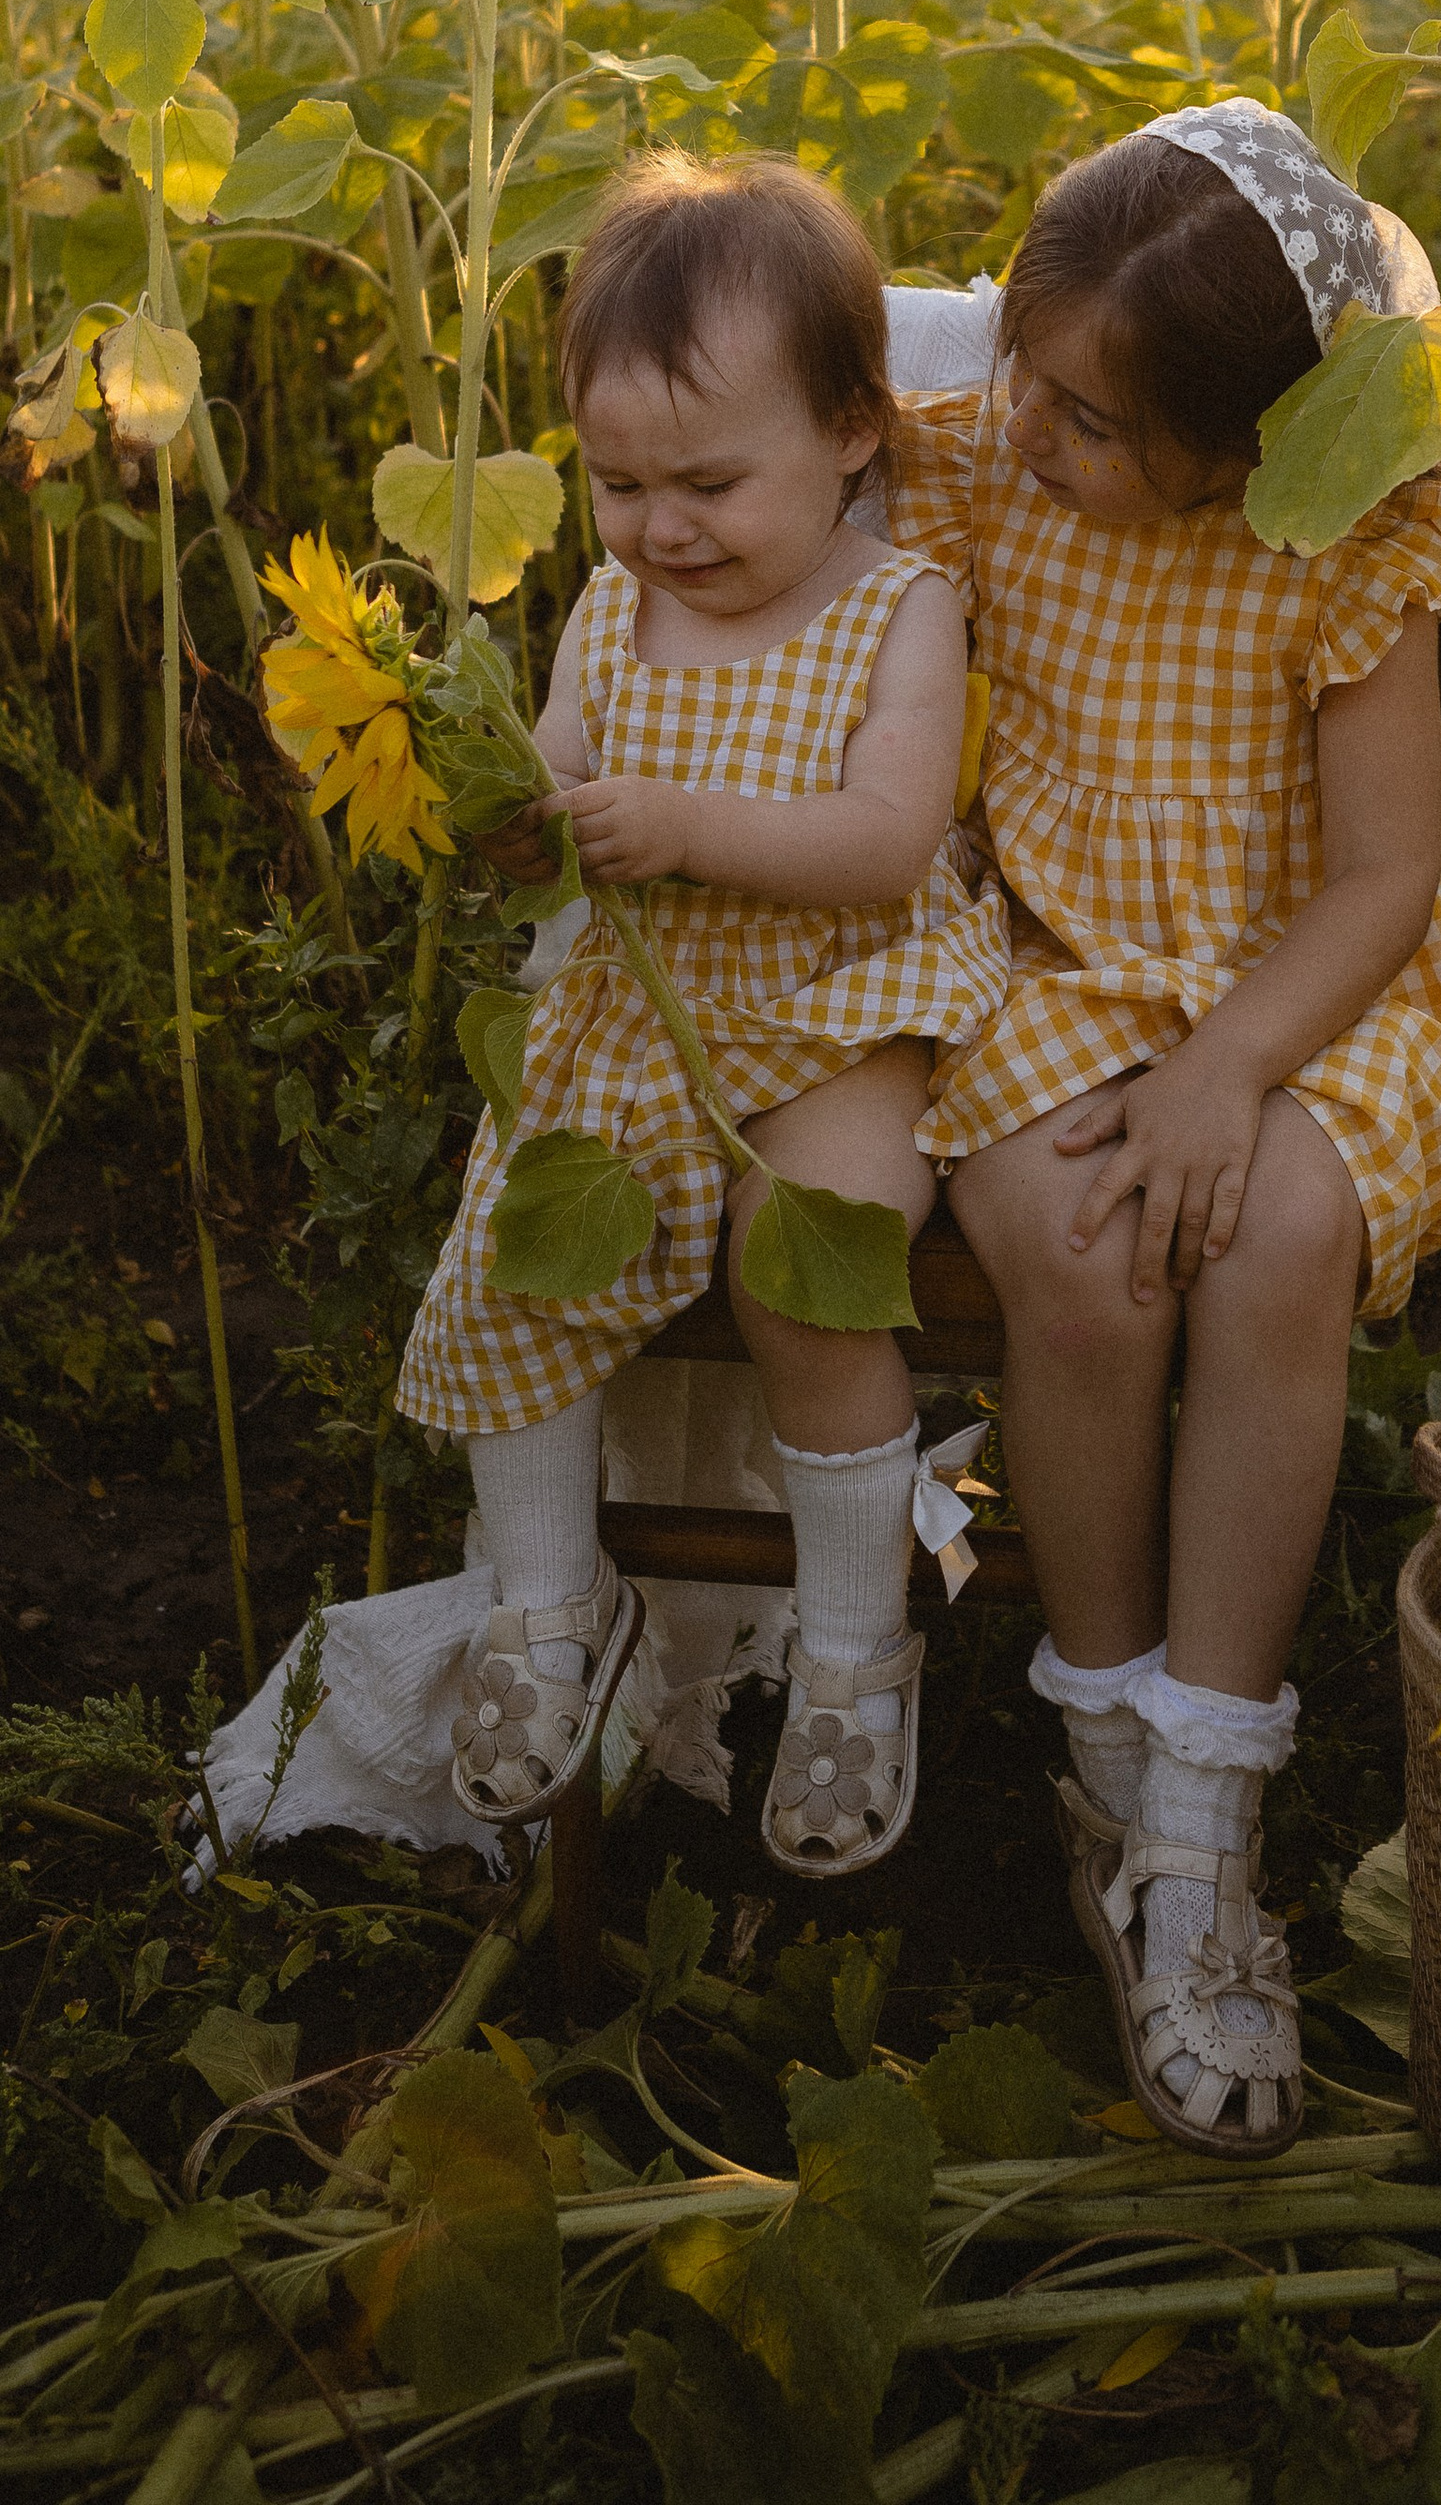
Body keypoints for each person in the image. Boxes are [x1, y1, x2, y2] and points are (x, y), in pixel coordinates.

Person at [887, 102, 1441, 2156]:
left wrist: (1229, 1067)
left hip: (1292, 987)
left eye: (1090, 419)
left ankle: (1204, 1816)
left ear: (1251, 448)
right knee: (1078, 1254)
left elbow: (1375, 883)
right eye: (1025, 376)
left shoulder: (1346, 538)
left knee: (1270, 1239)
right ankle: (1102, 1750)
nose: (1033, 430)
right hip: (1052, 964)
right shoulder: (990, 471)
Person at [398, 152, 1011, 1877]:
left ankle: (848, 1649)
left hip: (840, 1012)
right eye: (617, 484)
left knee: (800, 1265)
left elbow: (890, 843)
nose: (663, 529)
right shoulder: (620, 610)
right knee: (525, 1237)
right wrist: (517, 815)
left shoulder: (902, 610)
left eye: (711, 483)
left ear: (854, 432)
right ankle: (542, 1605)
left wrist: (679, 830)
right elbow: (570, 794)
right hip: (645, 1016)